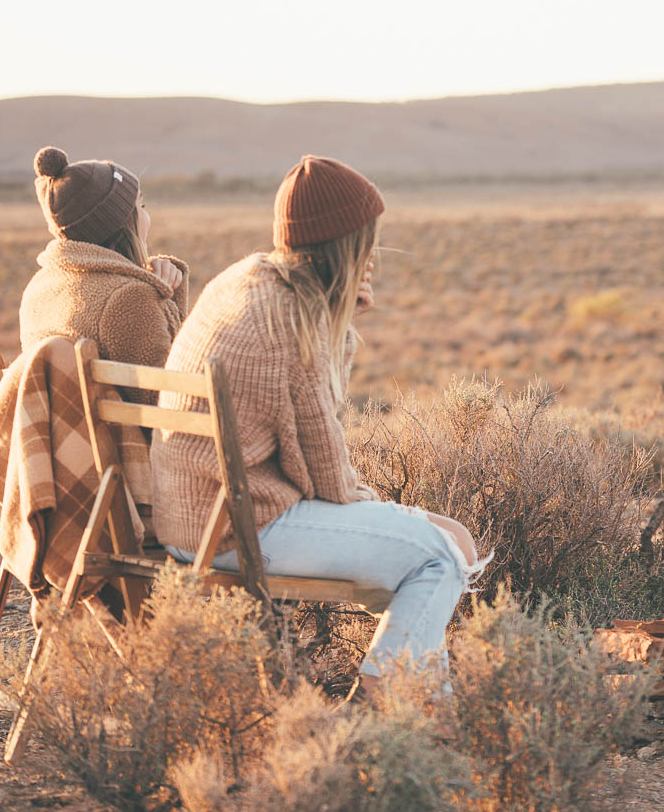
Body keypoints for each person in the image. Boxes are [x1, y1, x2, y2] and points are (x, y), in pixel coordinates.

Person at [151, 155, 482, 696]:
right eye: (367, 242)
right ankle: (395, 689)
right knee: (442, 554)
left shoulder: (247, 279)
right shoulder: (293, 317)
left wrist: (338, 320)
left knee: (444, 541)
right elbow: (325, 474)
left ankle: (426, 709)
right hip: (241, 529)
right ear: (344, 246)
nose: (374, 255)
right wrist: (340, 328)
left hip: (195, 518)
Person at [20, 146, 188, 403]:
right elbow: (173, 400)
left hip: (69, 441)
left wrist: (159, 292)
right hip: (129, 443)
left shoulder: (37, 290)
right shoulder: (128, 299)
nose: (146, 216)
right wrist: (157, 300)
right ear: (124, 222)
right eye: (140, 205)